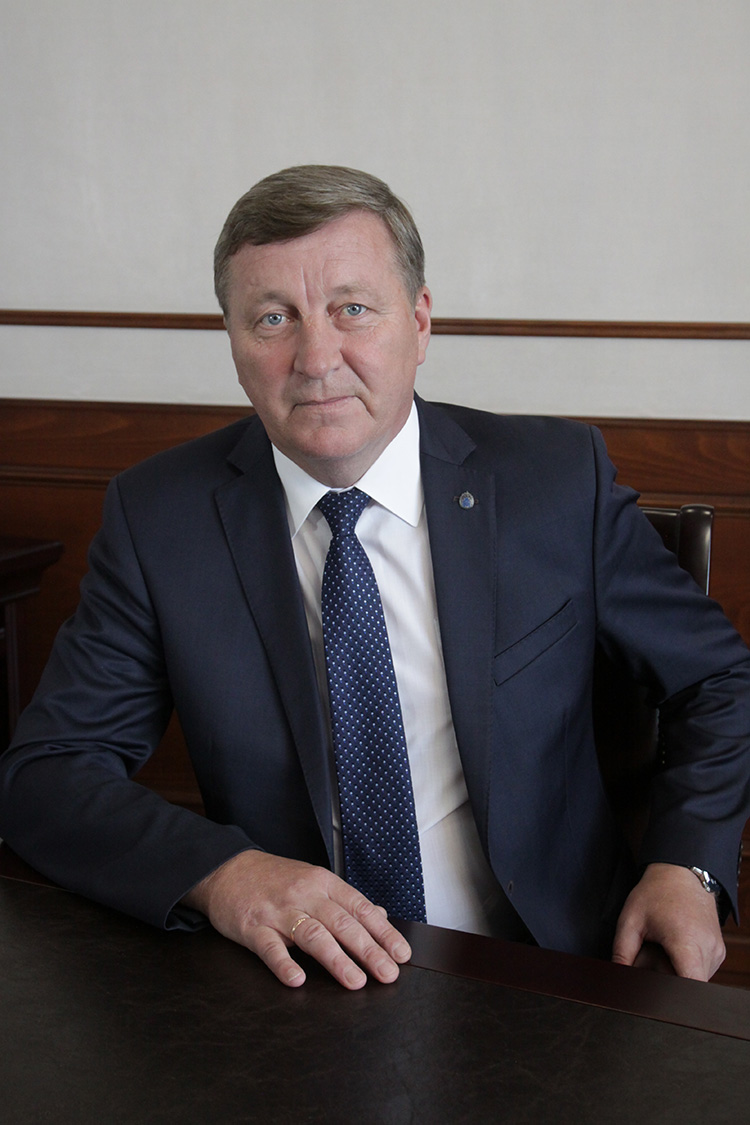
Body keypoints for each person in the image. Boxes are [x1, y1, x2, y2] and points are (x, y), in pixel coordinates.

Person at [1, 166, 749, 992]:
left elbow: (719, 679)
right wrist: (225, 873)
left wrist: (689, 865)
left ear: (419, 322)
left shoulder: (554, 482)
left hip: (556, 970)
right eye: (273, 318)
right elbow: (46, 774)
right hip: (302, 987)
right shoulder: (160, 519)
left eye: (352, 308)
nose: (316, 359)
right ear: (232, 342)